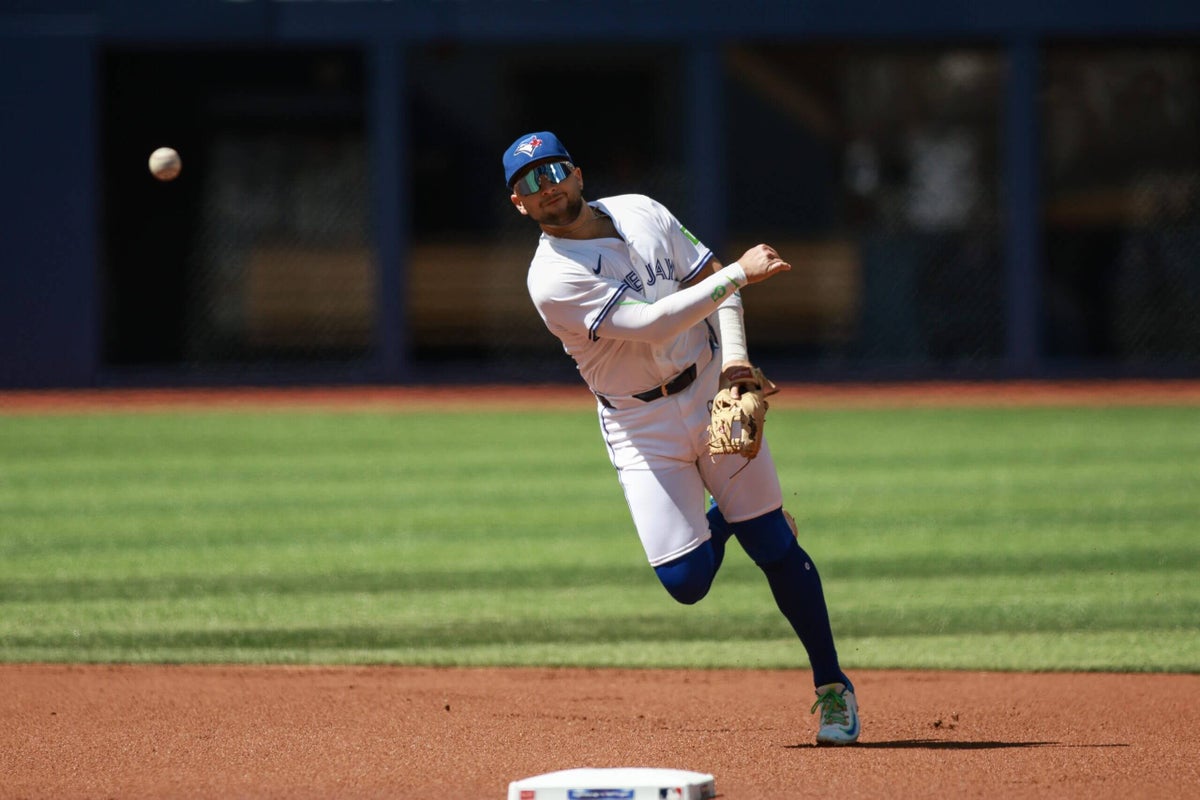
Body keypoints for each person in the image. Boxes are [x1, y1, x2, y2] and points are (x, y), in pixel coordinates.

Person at [503, 131, 860, 745]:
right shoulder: (551, 278)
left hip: (708, 391)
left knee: (773, 544)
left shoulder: (644, 210)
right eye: (530, 183)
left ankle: (832, 688)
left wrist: (736, 365)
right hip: (638, 424)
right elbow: (652, 322)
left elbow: (708, 278)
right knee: (687, 581)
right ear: (520, 205)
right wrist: (743, 276)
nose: (548, 187)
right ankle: (729, 517)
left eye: (554, 171)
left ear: (578, 172)